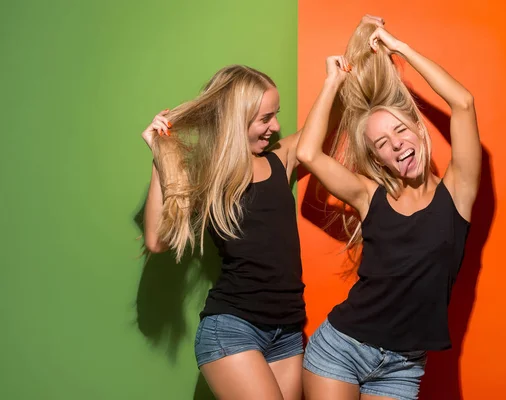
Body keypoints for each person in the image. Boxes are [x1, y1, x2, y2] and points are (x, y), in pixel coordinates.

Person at [296, 22, 481, 399]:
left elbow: (463, 103)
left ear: (417, 127)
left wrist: (400, 49)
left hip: (403, 365)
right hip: (340, 349)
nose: (396, 145)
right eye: (382, 143)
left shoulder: (457, 193)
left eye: (400, 131)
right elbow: (308, 154)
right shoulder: (369, 196)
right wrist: (332, 82)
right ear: (378, 159)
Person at [141, 65, 305, 400]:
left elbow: (321, 126)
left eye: (277, 115)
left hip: (288, 331)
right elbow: (157, 241)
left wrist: (345, 69)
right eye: (265, 118)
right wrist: (162, 155)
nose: (275, 126)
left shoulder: (280, 159)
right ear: (236, 121)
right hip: (233, 329)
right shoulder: (204, 175)